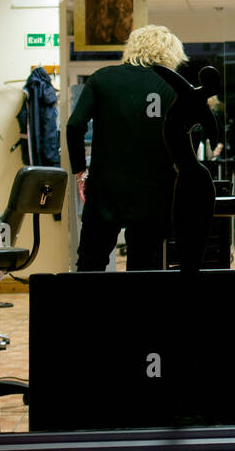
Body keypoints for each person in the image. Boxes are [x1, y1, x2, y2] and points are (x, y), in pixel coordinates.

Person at [67, 24, 185, 271]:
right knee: (143, 267)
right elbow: (183, 140)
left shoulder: (102, 78)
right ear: (170, 53)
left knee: (90, 263)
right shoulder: (172, 87)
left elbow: (75, 125)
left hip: (105, 189)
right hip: (153, 191)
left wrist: (80, 170)